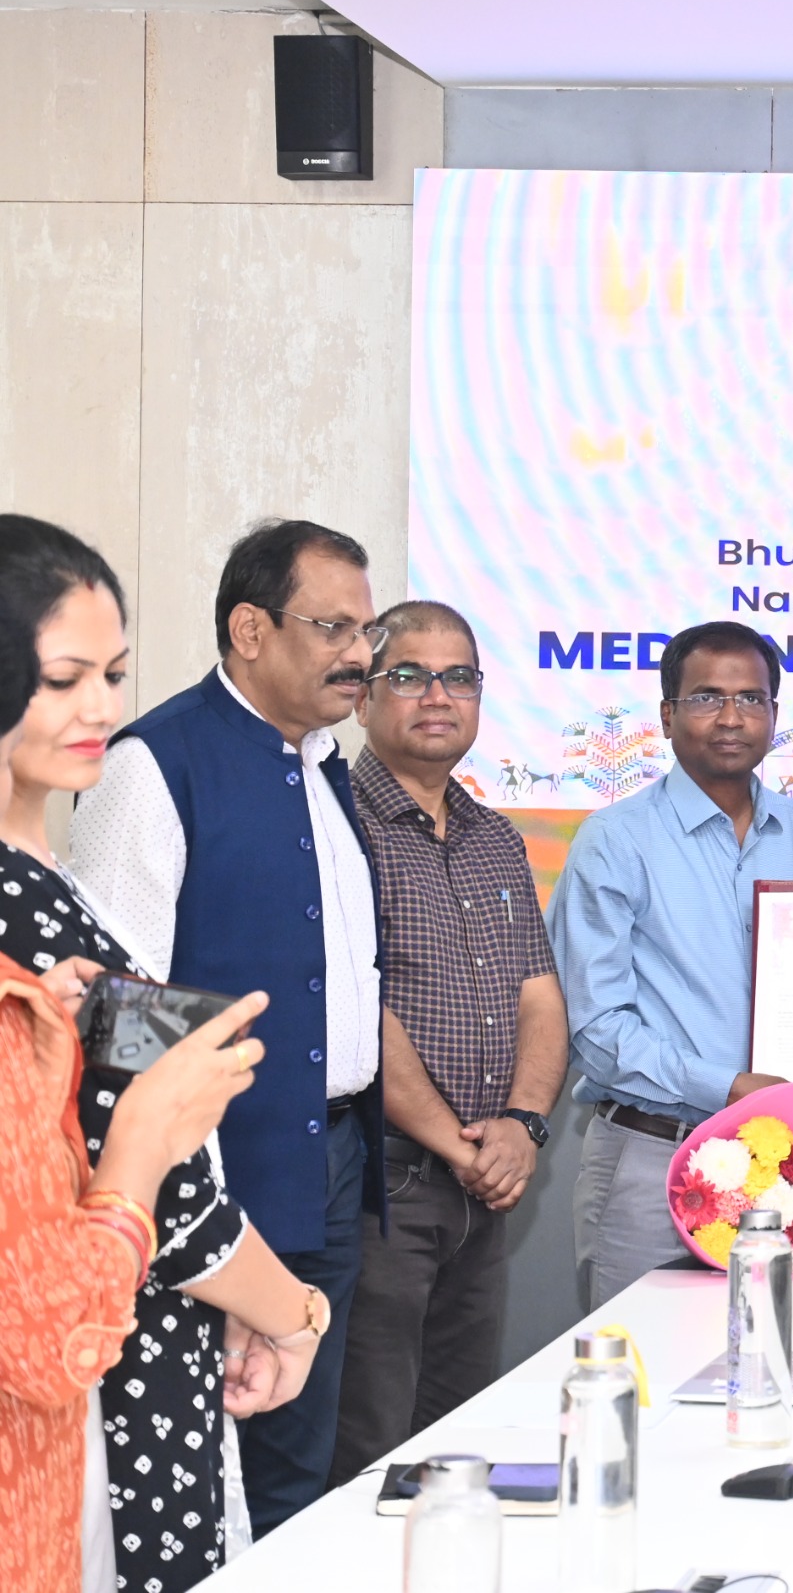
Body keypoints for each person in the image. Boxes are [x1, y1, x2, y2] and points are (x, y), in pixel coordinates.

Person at [0, 516, 324, 1590]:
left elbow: (148, 1087)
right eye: (63, 679)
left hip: (146, 1317)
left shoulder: (46, 871)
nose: (101, 708)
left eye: (114, 673)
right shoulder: (17, 898)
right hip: (95, 1347)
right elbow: (147, 1156)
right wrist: (292, 1312)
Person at [68, 519, 386, 1533]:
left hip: (333, 1162)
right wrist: (192, 1188)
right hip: (215, 1189)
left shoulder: (327, 762)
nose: (359, 653)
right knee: (224, 1481)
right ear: (251, 629)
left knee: (301, 1471)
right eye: (333, 627)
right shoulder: (153, 763)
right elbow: (118, 1012)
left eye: (366, 630)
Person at [551, 621, 793, 1311]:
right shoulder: (614, 840)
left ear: (774, 714)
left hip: (792, 1166)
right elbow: (596, 1029)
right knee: (643, 1361)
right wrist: (731, 1087)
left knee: (782, 1355)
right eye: (706, 698)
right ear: (667, 716)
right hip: (654, 1159)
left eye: (750, 699)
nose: (730, 717)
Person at [330, 602, 567, 1485]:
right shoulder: (335, 823)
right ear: (363, 697)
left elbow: (540, 997)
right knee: (371, 1453)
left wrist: (523, 1126)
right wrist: (462, 1145)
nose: (438, 695)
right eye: (410, 675)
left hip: (484, 1193)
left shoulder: (494, 836)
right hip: (383, 1187)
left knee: (457, 1446)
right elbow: (356, 1009)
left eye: (459, 676)